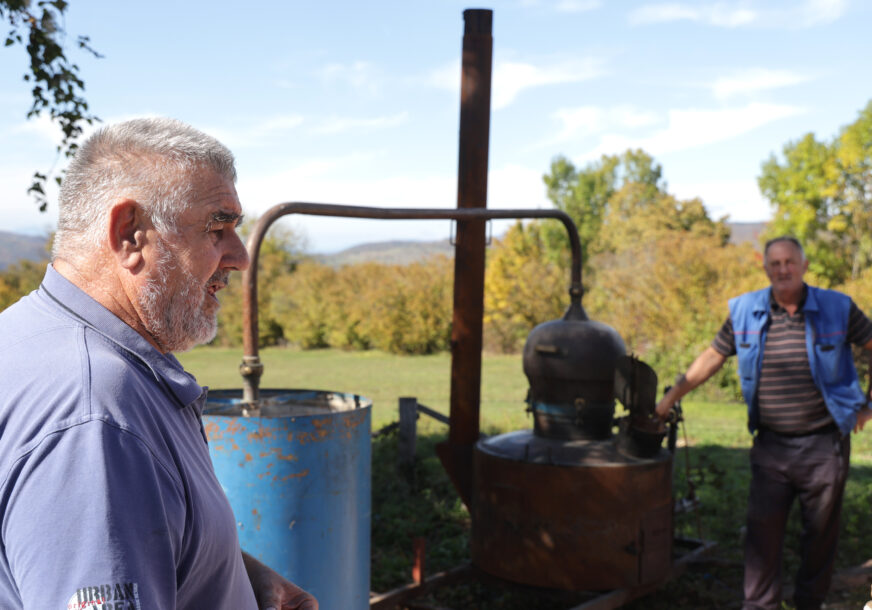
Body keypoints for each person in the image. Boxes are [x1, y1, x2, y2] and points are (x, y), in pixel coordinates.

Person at [0, 118, 317, 609]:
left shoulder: (29, 334)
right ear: (130, 234)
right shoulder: (97, 416)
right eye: (218, 227)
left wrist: (236, 575)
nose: (239, 257)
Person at [655, 236, 872, 610]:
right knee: (761, 536)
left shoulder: (838, 307)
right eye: (775, 263)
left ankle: (810, 603)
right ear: (766, 268)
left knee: (820, 536)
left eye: (790, 262)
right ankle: (758, 607)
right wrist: (670, 399)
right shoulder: (746, 311)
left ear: (804, 266)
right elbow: (713, 355)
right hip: (771, 446)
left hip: (824, 446)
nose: (783, 269)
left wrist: (869, 405)